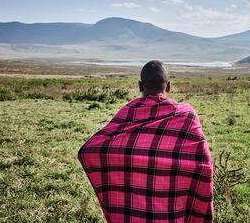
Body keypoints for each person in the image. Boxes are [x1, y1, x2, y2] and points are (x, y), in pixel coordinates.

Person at [78, 60, 213, 223]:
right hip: (173, 215)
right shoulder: (186, 115)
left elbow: (89, 151)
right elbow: (204, 164)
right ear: (168, 86)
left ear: (140, 86)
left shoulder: (128, 111)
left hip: (133, 216)